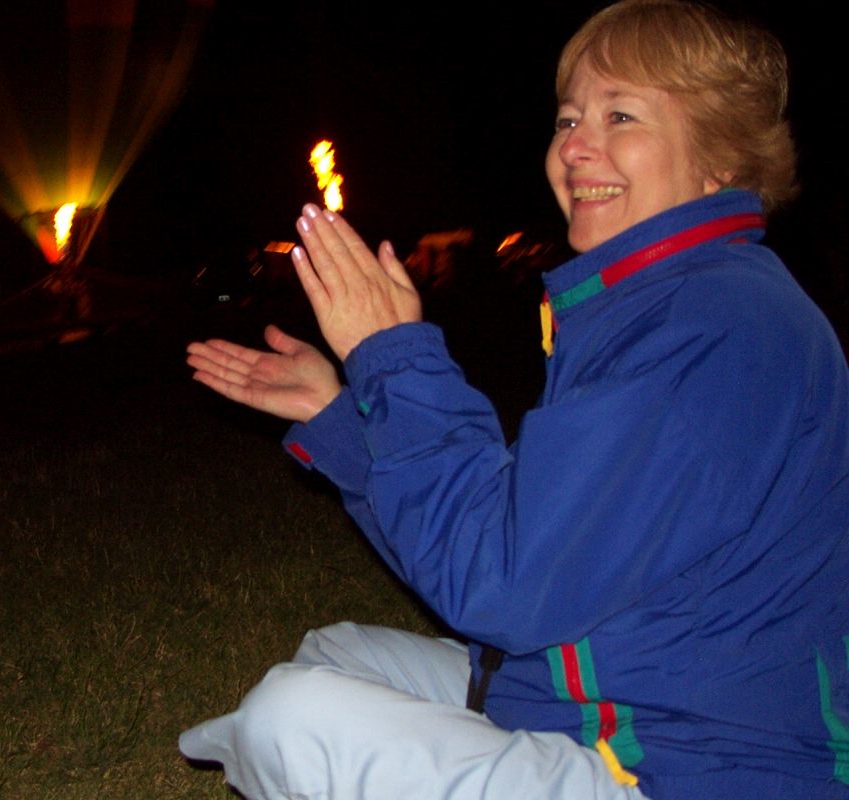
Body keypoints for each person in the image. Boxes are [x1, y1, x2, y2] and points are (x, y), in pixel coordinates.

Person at [177, 0, 849, 798]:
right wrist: (339, 420)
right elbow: (512, 537)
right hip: (603, 702)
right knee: (337, 655)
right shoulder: (667, 302)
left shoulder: (714, 325)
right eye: (568, 119)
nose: (575, 147)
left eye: (620, 115)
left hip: (690, 766)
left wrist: (392, 356)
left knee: (294, 719)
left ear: (719, 159)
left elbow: (501, 582)